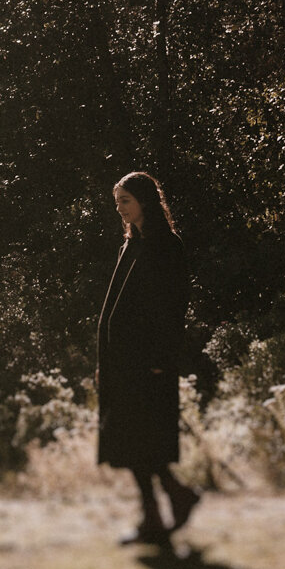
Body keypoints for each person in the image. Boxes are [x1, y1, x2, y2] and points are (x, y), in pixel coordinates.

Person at [96, 171, 200, 546]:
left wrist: (161, 355)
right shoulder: (131, 244)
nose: (120, 209)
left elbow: (173, 307)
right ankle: (160, 510)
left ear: (145, 202)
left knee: (142, 439)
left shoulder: (164, 245)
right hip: (122, 362)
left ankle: (166, 504)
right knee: (129, 439)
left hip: (147, 361)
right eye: (117, 202)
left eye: (126, 200)